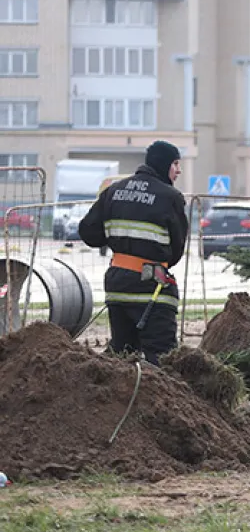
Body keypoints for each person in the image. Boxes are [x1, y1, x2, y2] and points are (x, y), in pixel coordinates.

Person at [79, 141, 188, 366]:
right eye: (176, 164)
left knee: (123, 354)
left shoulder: (113, 191)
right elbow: (176, 251)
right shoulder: (170, 197)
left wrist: (118, 241)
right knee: (163, 357)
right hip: (152, 290)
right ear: (165, 164)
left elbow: (88, 232)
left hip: (117, 286)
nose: (179, 170)